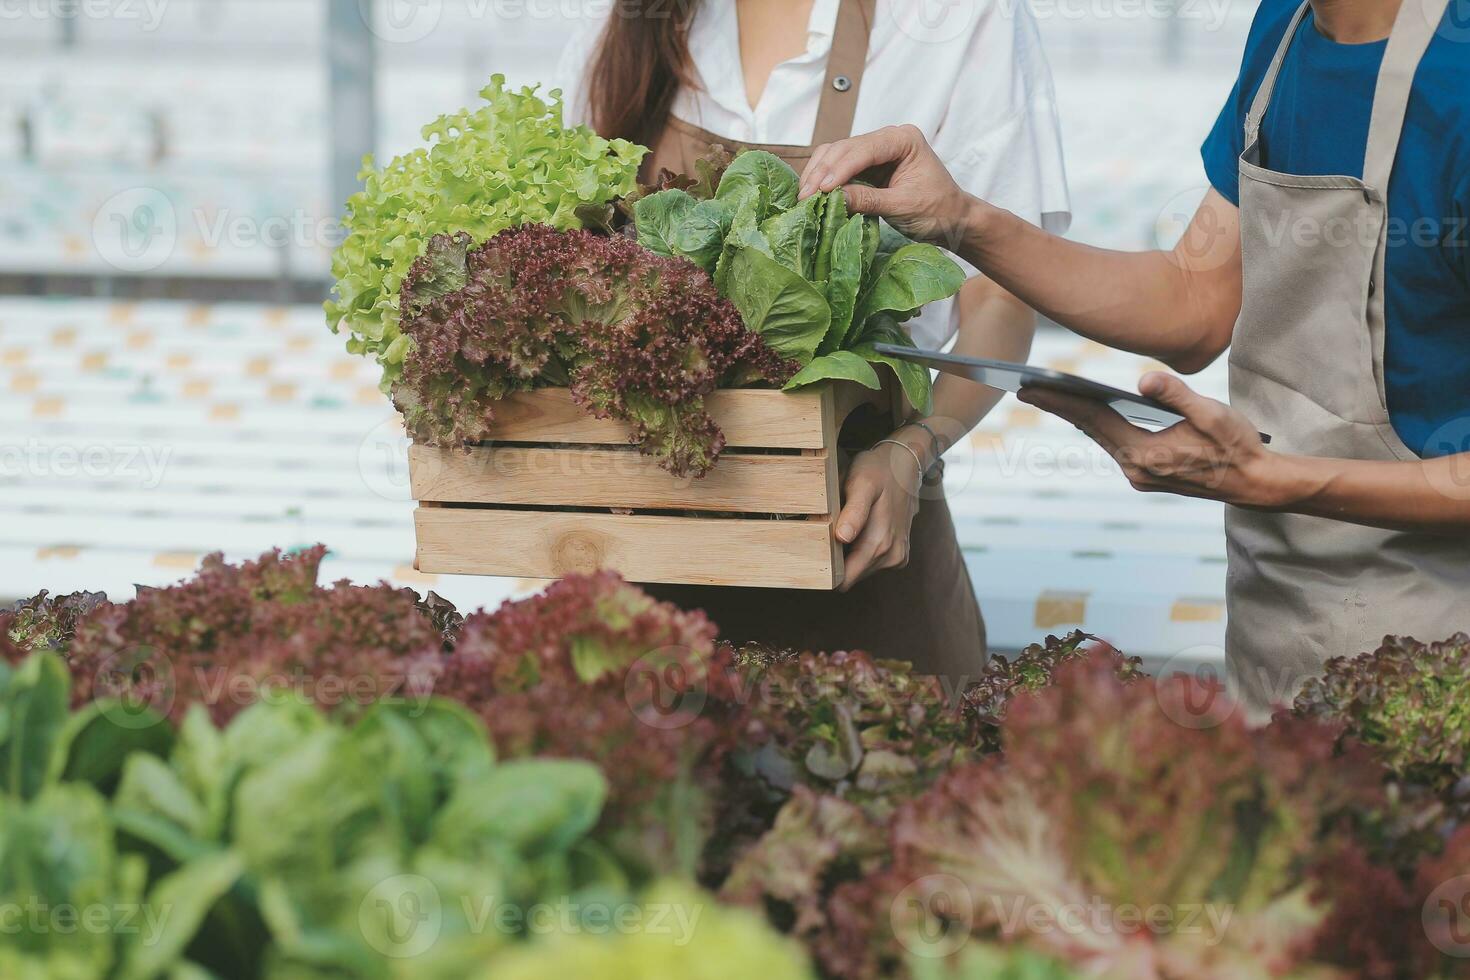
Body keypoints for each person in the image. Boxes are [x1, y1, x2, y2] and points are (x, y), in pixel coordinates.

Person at [796, 0, 1470, 713]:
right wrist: (962, 218)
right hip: (1283, 626)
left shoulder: (1455, 74)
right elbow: (1193, 298)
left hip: (1441, 648)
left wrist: (1280, 481)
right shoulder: (1286, 32)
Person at [556, 0, 1071, 678]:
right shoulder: (624, 21)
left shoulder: (958, 18)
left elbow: (999, 298)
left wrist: (911, 448)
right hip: (638, 558)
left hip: (862, 534)